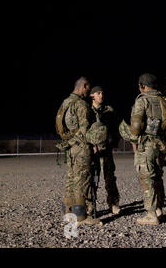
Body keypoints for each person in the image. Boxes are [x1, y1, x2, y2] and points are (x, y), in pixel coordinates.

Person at [129, 73, 166, 225]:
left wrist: (133, 136)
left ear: (143, 86)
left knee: (146, 178)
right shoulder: (165, 101)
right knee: (157, 177)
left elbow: (135, 127)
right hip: (161, 146)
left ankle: (151, 214)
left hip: (147, 145)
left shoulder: (143, 100)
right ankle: (159, 209)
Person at [59, 77, 102, 225]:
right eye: (88, 89)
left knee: (71, 179)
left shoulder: (66, 103)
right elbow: (85, 129)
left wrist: (70, 140)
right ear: (83, 86)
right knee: (82, 181)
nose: (88, 92)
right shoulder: (81, 104)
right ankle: (81, 217)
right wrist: (93, 142)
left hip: (70, 147)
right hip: (82, 147)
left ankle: (68, 211)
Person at [89, 86, 121, 215]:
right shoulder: (87, 111)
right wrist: (90, 145)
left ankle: (113, 203)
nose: (101, 95)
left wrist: (114, 143)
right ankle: (90, 205)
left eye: (102, 93)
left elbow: (116, 128)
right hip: (93, 151)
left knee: (110, 177)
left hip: (106, 150)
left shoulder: (109, 110)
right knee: (92, 177)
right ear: (92, 95)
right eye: (98, 93)